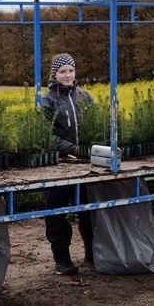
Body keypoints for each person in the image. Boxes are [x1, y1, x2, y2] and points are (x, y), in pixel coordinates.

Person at [40, 53, 95, 275]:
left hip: (86, 165)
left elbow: (96, 124)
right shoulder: (48, 100)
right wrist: (72, 149)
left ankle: (92, 252)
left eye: (71, 71)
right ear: (55, 74)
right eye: (63, 71)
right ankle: (62, 259)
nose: (68, 75)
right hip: (59, 167)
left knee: (89, 211)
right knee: (57, 213)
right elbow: (45, 135)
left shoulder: (84, 96)